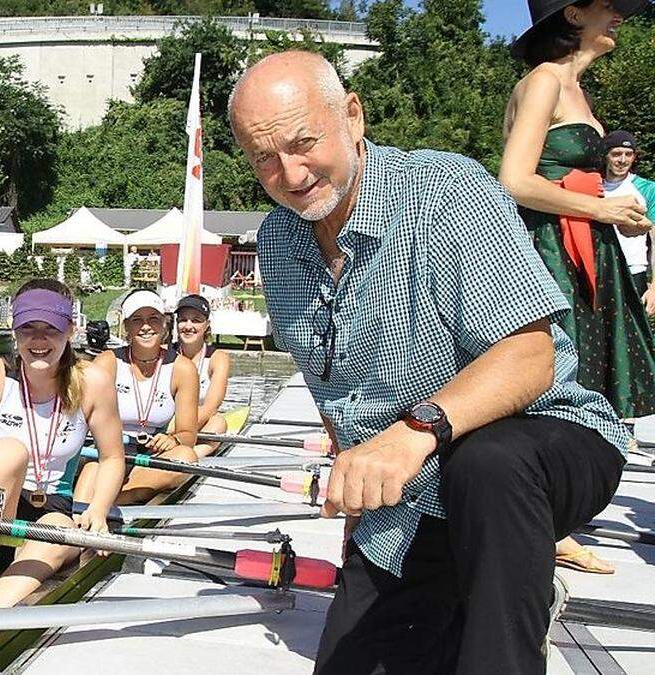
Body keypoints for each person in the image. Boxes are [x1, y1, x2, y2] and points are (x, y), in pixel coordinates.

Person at [230, 51, 629, 674]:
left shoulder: (446, 191)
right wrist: (356, 492)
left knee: (488, 464)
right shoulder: (277, 240)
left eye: (303, 142)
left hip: (543, 446)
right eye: (263, 157)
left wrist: (414, 433)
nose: (290, 172)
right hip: (412, 503)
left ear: (353, 116)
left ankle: (511, 607)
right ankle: (512, 584)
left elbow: (531, 357)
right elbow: (334, 389)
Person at [500, 0, 655, 420]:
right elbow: (514, 180)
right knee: (559, 382)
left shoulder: (575, 89)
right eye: (608, 5)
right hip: (553, 252)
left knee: (587, 387)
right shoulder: (545, 80)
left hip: (584, 246)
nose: (619, 16)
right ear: (574, 15)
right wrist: (602, 211)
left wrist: (616, 212)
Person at [0, 278, 125, 609]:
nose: (38, 339)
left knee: (59, 530)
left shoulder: (93, 381)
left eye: (50, 328)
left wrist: (98, 510)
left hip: (52, 512)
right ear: (13, 330)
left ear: (71, 330)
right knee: (8, 451)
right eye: (27, 328)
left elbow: (111, 457)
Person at [74, 289, 199, 506]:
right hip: (106, 447)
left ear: (164, 325)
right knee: (94, 468)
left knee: (186, 457)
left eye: (153, 319)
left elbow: (188, 433)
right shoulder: (108, 362)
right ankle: (82, 515)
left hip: (150, 452)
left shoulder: (183, 369)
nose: (146, 326)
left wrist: (173, 439)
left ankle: (118, 499)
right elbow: (79, 417)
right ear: (127, 327)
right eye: (137, 320)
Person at [601, 130, 655, 313]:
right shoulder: (593, 187)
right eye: (616, 154)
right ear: (606, 155)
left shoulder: (647, 189)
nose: (622, 160)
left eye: (628, 154)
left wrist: (654, 287)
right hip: (601, 270)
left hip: (634, 271)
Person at [173, 294, 232, 458]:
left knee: (219, 423)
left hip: (198, 423)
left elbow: (210, 407)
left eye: (196, 320)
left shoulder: (218, 359)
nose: (188, 326)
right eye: (183, 320)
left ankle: (188, 459)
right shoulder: (165, 354)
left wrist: (176, 433)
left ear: (207, 325)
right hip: (166, 422)